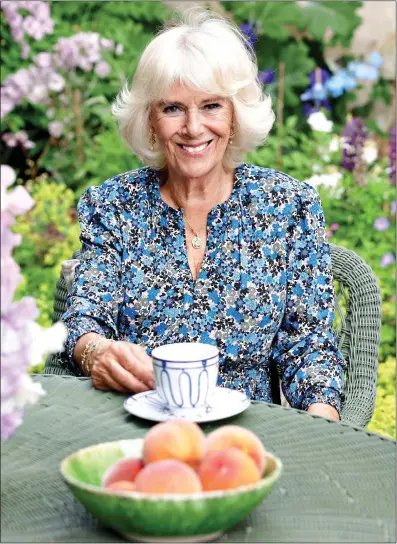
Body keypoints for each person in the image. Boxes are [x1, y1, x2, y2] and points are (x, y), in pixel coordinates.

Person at [63, 8, 346, 421]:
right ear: (150, 121)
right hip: (135, 427)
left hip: (249, 435)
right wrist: (96, 352)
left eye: (211, 106)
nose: (193, 128)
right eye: (173, 108)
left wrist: (320, 431)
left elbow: (310, 346)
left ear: (234, 116)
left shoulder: (288, 206)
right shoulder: (114, 205)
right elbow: (86, 316)